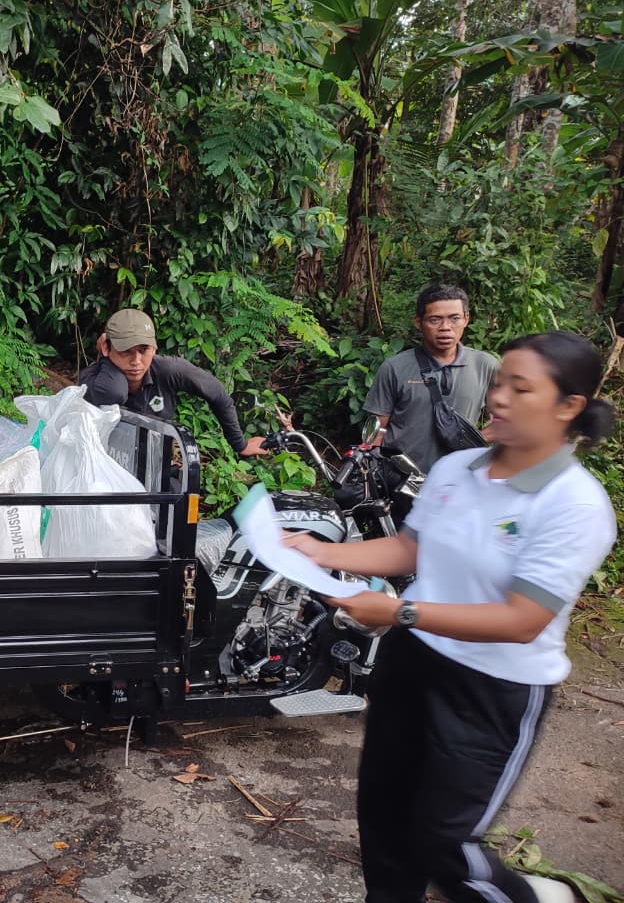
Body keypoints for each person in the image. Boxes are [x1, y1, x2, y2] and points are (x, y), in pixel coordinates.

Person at [285, 331, 616, 903]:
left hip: (493, 688)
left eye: (521, 388)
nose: (499, 399)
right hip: (413, 665)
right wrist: (320, 551)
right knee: (385, 825)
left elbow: (521, 620)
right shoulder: (458, 468)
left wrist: (397, 610)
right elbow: (410, 551)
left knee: (445, 844)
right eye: (498, 383)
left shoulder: (574, 504)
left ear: (569, 407)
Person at [79, 307, 267, 457]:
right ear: (106, 347)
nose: (136, 361)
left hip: (152, 466)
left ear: (154, 348)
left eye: (143, 350)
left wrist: (240, 444)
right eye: (125, 351)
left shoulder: (168, 370)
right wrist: (105, 359)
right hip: (102, 467)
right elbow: (114, 392)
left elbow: (217, 393)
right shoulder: (92, 379)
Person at [365, 283, 498, 472]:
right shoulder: (395, 367)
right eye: (435, 320)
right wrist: (373, 469)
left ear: (466, 319)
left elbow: (508, 420)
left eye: (454, 319)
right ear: (418, 322)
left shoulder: (485, 365)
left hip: (457, 477)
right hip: (400, 478)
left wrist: (471, 443)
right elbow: (377, 429)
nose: (445, 328)